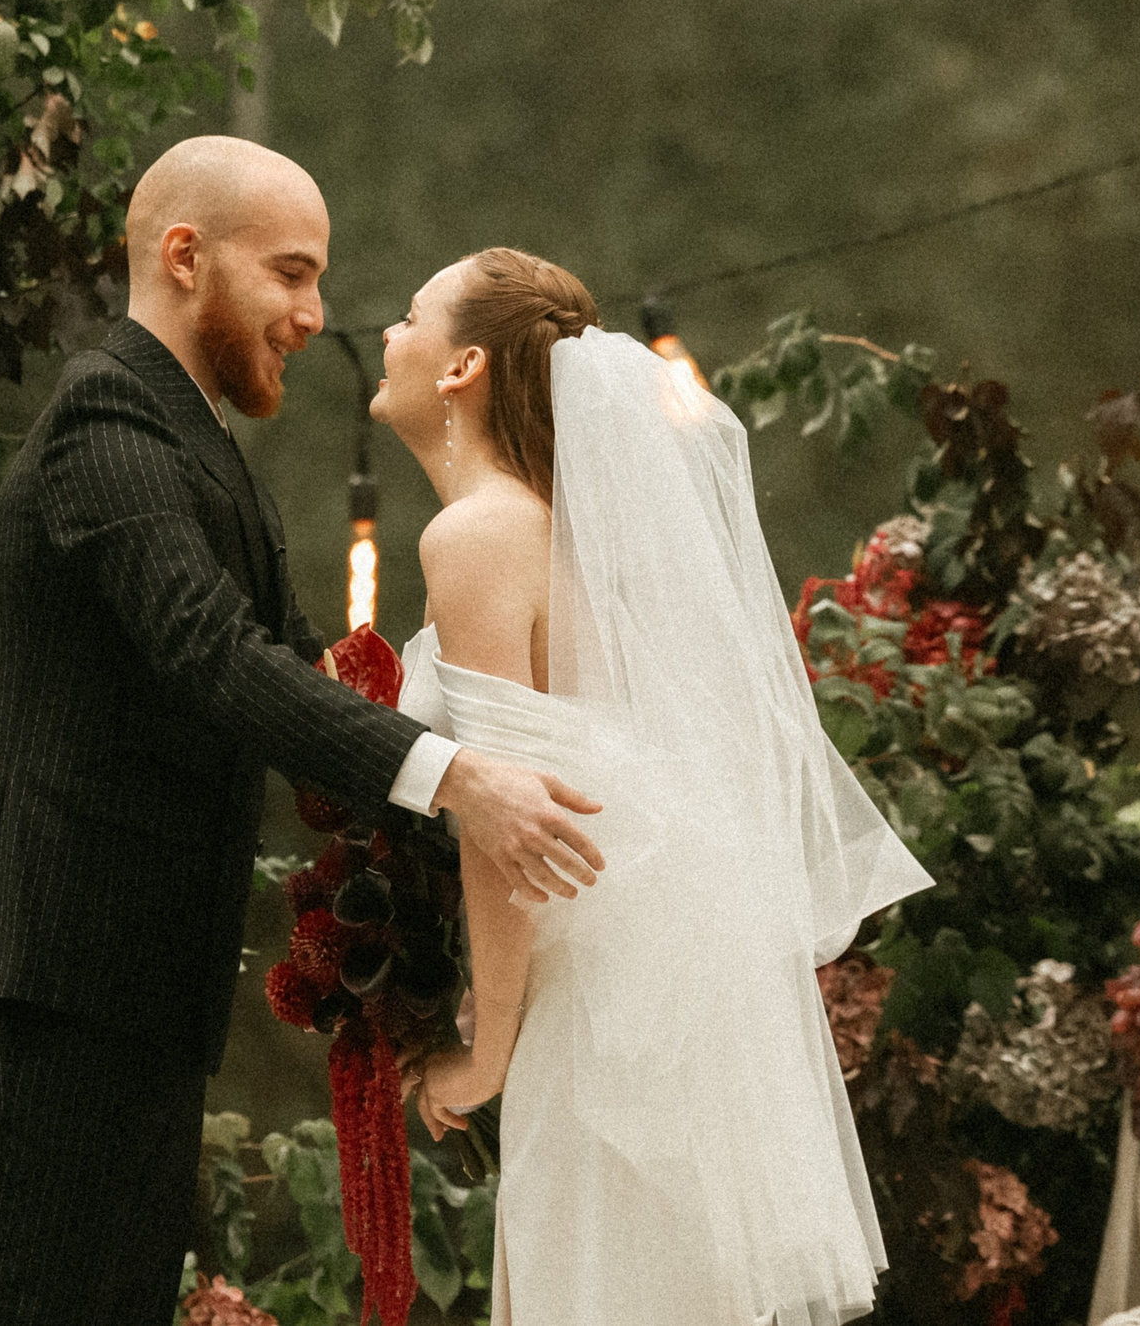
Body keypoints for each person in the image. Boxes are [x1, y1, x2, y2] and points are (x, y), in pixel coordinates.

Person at [0, 141, 612, 1326]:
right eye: (291, 275)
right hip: (57, 977)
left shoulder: (194, 441)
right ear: (186, 257)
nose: (315, 315)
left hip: (136, 985)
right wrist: (460, 779)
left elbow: (304, 671)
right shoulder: (107, 414)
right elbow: (211, 652)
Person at [375, 248, 933, 1326]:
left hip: (598, 1015)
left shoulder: (479, 533)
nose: (390, 336)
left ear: (462, 368)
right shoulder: (576, 546)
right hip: (655, 993)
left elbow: (513, 826)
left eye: (409, 316)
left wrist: (483, 1054)